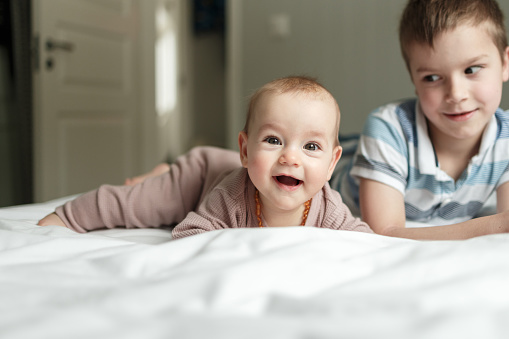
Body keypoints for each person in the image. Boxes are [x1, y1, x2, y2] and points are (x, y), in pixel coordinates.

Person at [38, 76, 373, 239]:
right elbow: (188, 234)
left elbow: (363, 239)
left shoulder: (329, 208)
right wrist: (63, 220)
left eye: (311, 147)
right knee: (141, 203)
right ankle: (161, 176)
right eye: (273, 140)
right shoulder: (231, 197)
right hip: (199, 175)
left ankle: (160, 170)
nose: (290, 158)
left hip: (221, 165)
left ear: (332, 164)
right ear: (245, 150)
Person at [334, 0, 509, 240]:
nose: (456, 94)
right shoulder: (388, 129)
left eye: (472, 69)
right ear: (414, 80)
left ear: (505, 63)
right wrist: (492, 226)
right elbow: (384, 234)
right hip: (341, 171)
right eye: (433, 77)